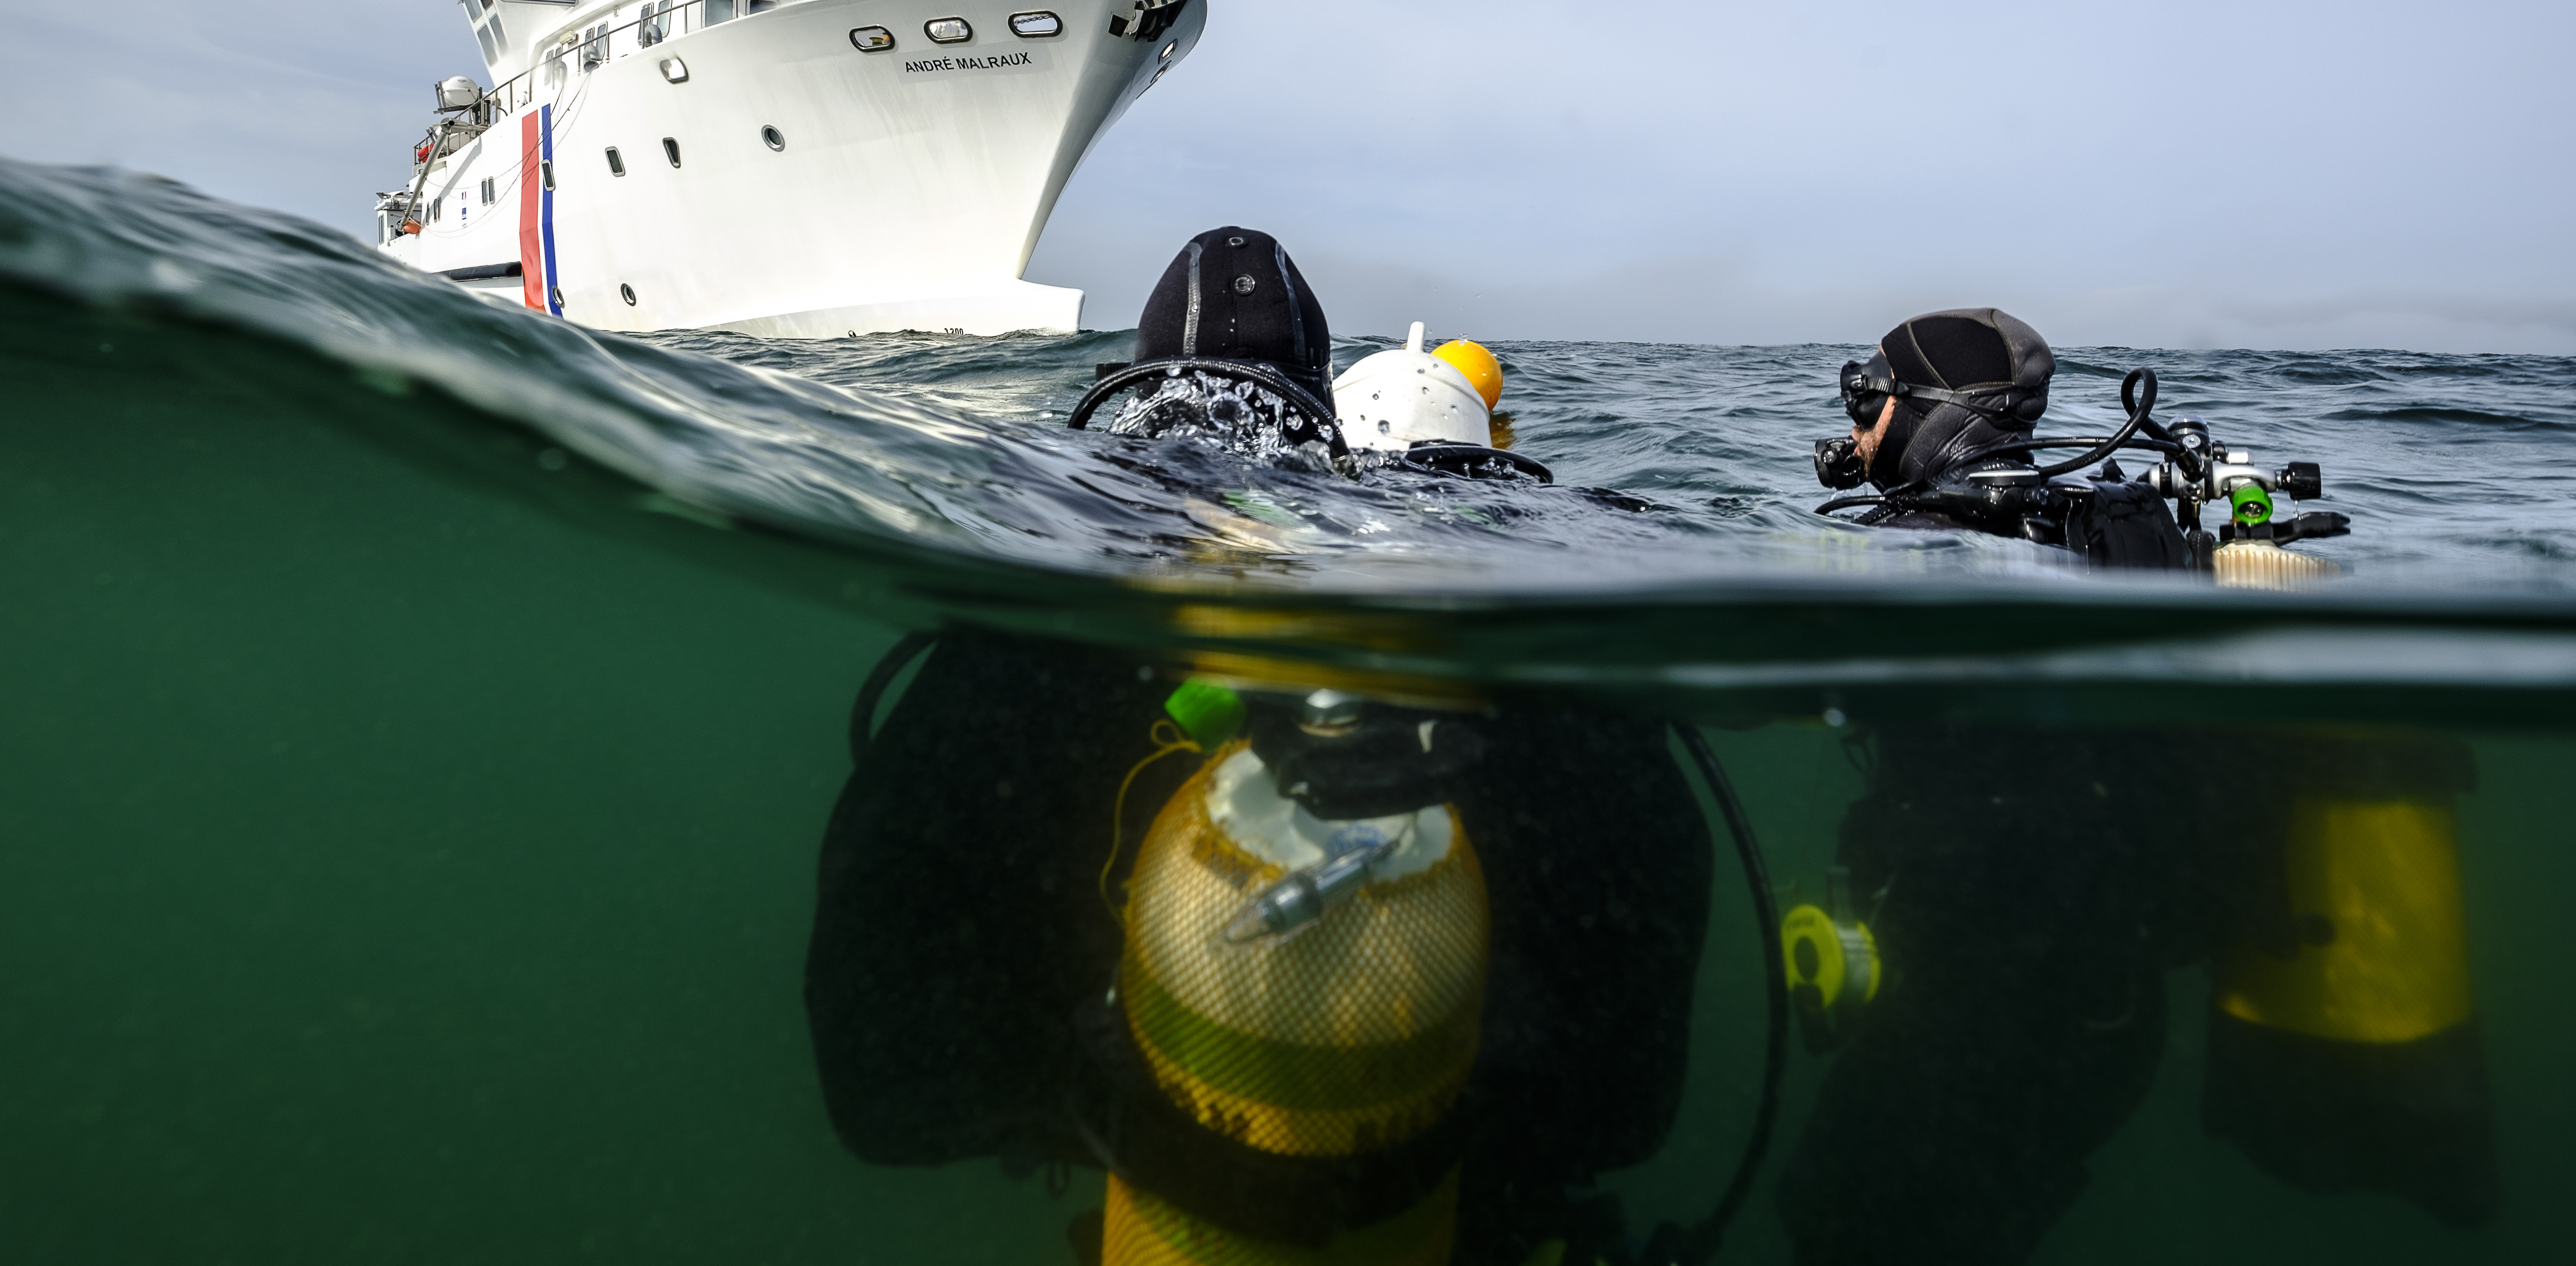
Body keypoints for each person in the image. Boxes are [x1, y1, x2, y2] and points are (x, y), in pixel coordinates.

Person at [805, 228, 1713, 1266]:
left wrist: (1136, 1123)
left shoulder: (1016, 660)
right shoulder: (1522, 670)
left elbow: (881, 1085)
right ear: (1335, 442)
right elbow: (1627, 1104)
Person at [1780, 308, 2497, 1264]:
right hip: (2094, 1022)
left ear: (1929, 413)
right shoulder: (2102, 531)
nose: (1854, 421)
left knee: (1842, 1223)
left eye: (1865, 395)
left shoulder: (1912, 553)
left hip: (2002, 1031)